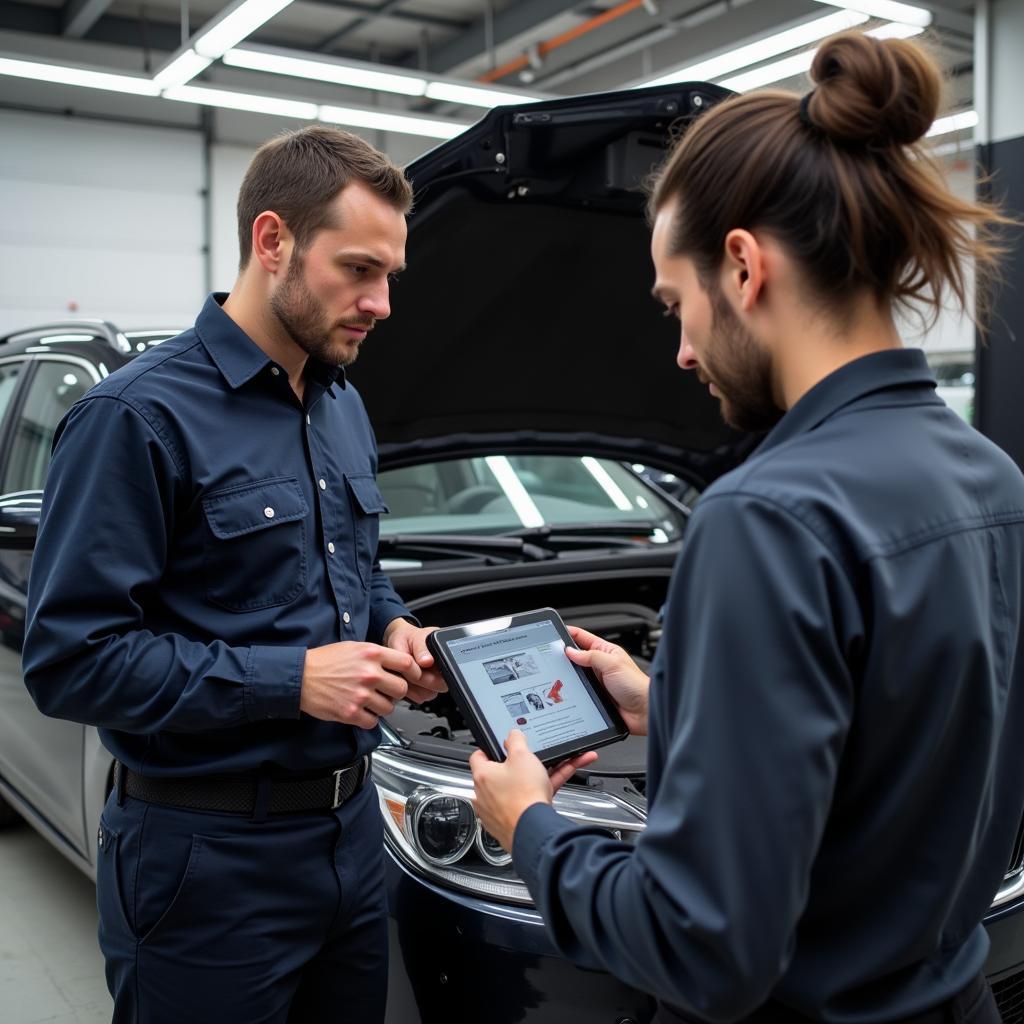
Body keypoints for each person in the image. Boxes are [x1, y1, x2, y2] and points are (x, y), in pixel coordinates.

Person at [471, 30, 1024, 1024]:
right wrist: (673, 699)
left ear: (742, 266)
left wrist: (534, 828)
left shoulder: (765, 518)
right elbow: (903, 749)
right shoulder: (991, 478)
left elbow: (704, 945)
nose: (680, 352)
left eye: (675, 305)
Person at [23, 125, 446, 1023]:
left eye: (391, 278)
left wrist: (393, 625)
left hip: (351, 839)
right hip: (205, 861)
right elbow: (72, 659)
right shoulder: (134, 418)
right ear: (272, 240)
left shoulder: (341, 403)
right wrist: (291, 680)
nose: (382, 302)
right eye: (359, 269)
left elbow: (356, 573)